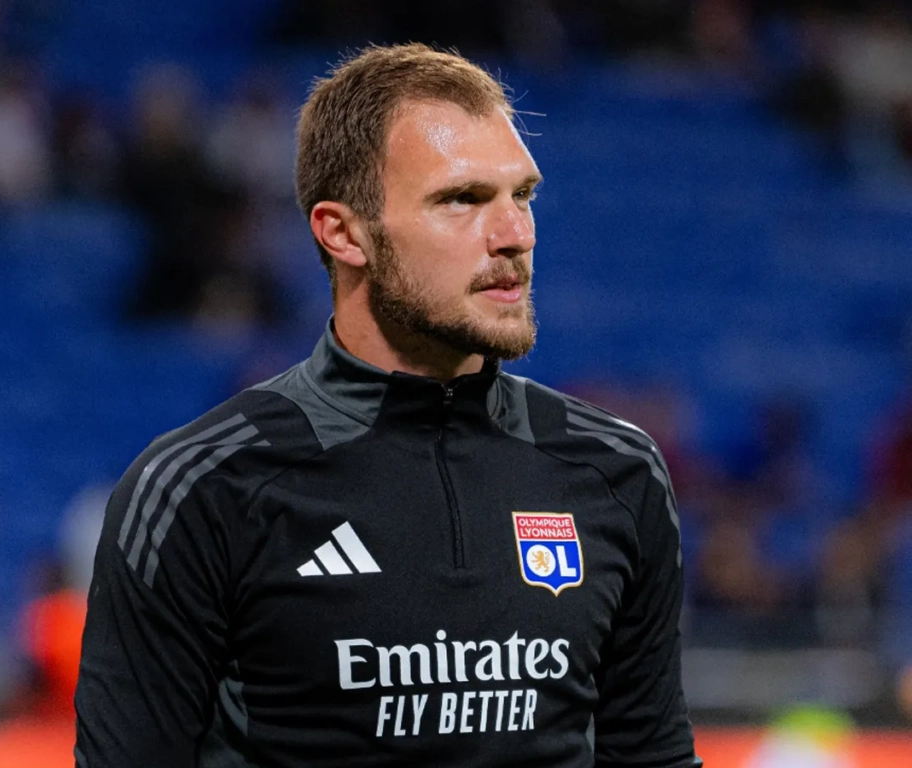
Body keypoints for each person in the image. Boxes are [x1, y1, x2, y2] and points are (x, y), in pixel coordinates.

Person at [74, 43, 701, 767]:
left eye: (522, 196)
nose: (515, 236)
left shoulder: (616, 471)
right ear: (343, 233)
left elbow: (653, 755)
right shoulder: (202, 491)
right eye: (462, 199)